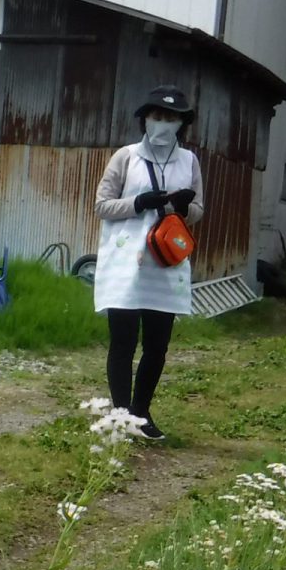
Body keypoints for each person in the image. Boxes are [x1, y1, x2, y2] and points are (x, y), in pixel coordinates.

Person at [92, 85, 206, 443]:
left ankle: (142, 413)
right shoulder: (126, 157)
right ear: (145, 119)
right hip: (125, 262)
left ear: (182, 123)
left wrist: (184, 207)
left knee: (157, 345)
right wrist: (139, 202)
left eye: (171, 118)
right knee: (123, 343)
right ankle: (121, 415)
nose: (163, 123)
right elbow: (101, 205)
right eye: (157, 116)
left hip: (165, 263)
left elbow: (198, 211)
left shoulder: (189, 161)